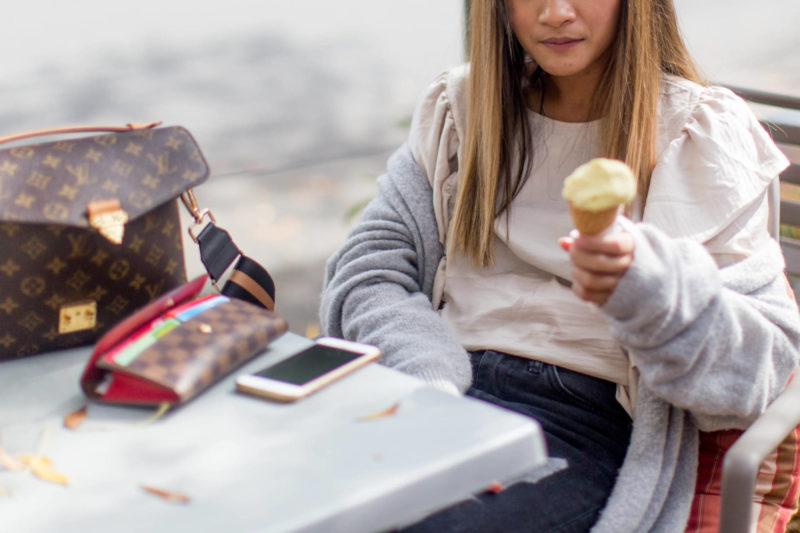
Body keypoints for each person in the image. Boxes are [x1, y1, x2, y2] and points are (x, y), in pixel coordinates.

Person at [320, 0, 800, 531]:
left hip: (583, 418)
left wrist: (653, 292)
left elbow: (759, 372)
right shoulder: (462, 110)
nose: (556, 12)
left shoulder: (700, 133)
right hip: (442, 386)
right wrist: (429, 376)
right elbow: (368, 269)